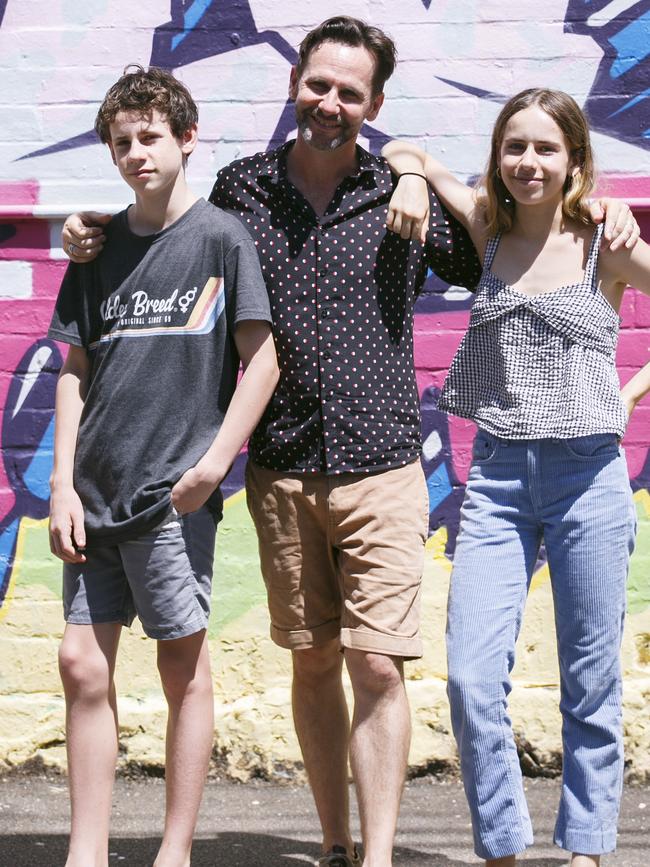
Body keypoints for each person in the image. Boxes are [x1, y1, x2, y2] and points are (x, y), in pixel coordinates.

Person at [60, 21, 639, 866]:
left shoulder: (393, 189)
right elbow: (167, 225)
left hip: (384, 466)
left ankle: (378, 855)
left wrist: (438, 175)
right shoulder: (242, 190)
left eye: (350, 93)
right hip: (283, 466)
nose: (330, 103)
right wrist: (91, 230)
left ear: (374, 106)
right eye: (318, 84)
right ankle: (334, 843)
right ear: (296, 81)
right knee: (313, 660)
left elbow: (505, 251)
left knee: (378, 666)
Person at [383, 88, 650, 867]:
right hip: (497, 482)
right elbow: (409, 153)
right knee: (468, 677)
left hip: (589, 481)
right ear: (498, 156)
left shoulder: (608, 244)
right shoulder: (487, 230)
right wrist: (408, 179)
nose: (528, 162)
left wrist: (627, 392)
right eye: (514, 147)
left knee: (589, 679)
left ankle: (589, 850)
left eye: (545, 149)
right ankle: (500, 847)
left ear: (574, 161)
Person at [48, 66, 278, 867]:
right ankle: (86, 848)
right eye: (121, 142)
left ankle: (174, 849)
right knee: (81, 663)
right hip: (95, 494)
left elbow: (264, 357)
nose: (136, 153)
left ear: (186, 138)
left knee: (182, 664)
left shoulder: (221, 238)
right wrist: (60, 482)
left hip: (172, 497)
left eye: (150, 137)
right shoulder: (99, 246)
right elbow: (75, 369)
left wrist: (217, 462)